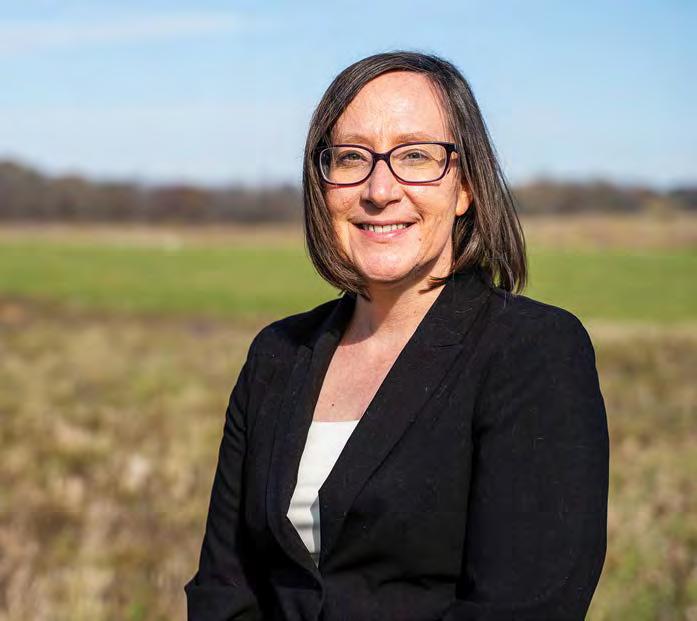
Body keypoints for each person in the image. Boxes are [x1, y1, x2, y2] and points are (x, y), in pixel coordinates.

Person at [184, 51, 609, 620]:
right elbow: (223, 588)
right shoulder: (277, 356)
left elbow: (521, 608)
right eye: (351, 158)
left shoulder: (532, 352)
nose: (379, 189)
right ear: (322, 185)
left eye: (415, 155)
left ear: (466, 187)